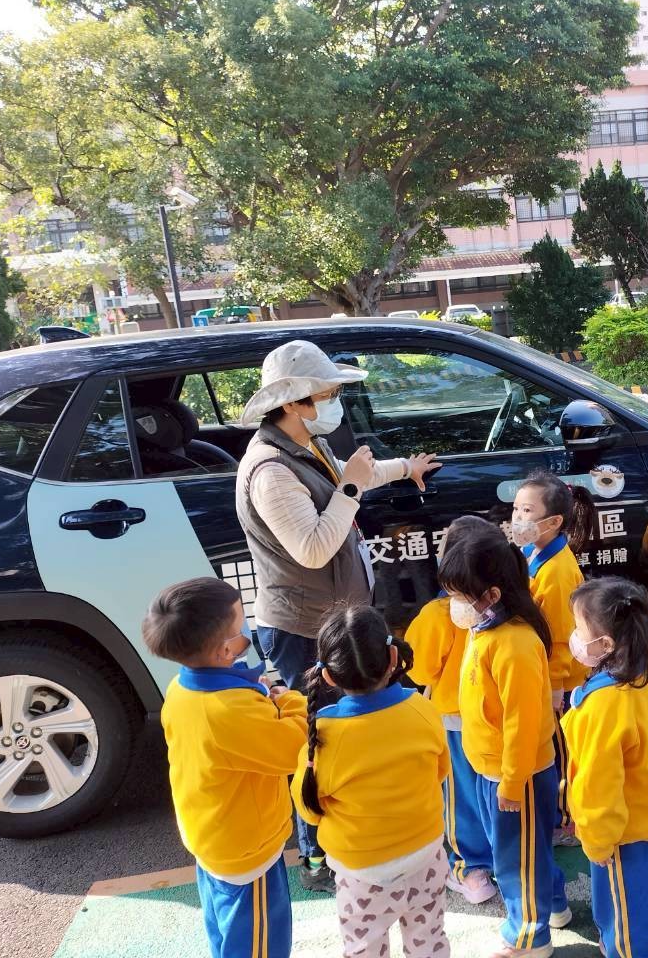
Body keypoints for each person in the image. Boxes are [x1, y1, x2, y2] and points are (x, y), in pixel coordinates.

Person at [236, 339, 440, 892]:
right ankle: (317, 856)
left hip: (328, 617)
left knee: (342, 733)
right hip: (303, 627)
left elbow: (353, 477)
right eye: (326, 394)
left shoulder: (305, 445)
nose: (334, 403)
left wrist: (406, 468)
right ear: (294, 402)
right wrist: (349, 485)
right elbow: (312, 547)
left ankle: (349, 833)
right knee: (316, 741)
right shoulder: (270, 469)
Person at [143, 578, 308, 958]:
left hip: (212, 837)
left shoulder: (181, 689)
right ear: (225, 649)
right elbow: (293, 749)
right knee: (259, 945)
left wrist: (258, 696)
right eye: (240, 623)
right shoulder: (230, 710)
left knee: (228, 935)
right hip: (248, 850)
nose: (246, 628)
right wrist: (291, 701)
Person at [440, 516, 570, 958]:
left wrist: (513, 782)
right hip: (493, 769)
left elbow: (523, 722)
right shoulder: (487, 628)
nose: (455, 604)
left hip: (517, 776)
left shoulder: (513, 643)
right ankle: (553, 905)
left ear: (492, 595)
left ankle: (529, 937)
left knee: (517, 862)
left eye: (461, 596)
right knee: (522, 852)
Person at [291, 607, 452, 958]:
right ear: (393, 656)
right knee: (429, 941)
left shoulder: (325, 738)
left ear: (328, 676)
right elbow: (439, 771)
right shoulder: (422, 709)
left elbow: (309, 809)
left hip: (362, 872)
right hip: (425, 855)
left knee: (364, 949)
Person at [562, 577, 648, 958]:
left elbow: (597, 782)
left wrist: (597, 838)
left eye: (579, 628)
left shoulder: (603, 704)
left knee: (628, 913)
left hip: (620, 831)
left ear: (605, 645)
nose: (574, 636)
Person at [510, 471, 597, 846]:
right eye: (516, 508)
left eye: (527, 511)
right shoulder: (535, 553)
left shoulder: (558, 571)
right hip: (547, 673)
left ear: (553, 521)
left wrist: (557, 687)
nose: (517, 517)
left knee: (563, 752)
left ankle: (567, 821)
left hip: (561, 681)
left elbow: (561, 639)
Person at [408, 588, 498, 906]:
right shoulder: (513, 598)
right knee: (498, 790)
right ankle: (512, 860)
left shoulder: (439, 613)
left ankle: (471, 869)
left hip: (456, 718)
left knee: (463, 797)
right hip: (501, 715)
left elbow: (418, 668)